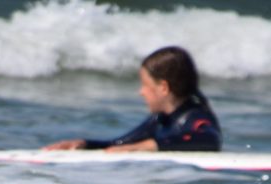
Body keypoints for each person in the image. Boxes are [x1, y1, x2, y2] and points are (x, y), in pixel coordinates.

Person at [43, 46, 221, 153]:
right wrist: (84, 145)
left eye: (145, 85)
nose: (141, 92)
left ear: (163, 87)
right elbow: (121, 144)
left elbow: (209, 139)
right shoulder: (160, 120)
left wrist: (150, 146)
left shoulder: (196, 116)